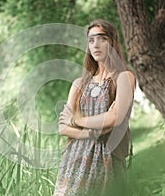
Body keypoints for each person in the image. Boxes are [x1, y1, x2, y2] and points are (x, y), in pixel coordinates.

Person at [53, 19, 136, 196]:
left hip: (109, 159)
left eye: (101, 39)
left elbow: (114, 119)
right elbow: (62, 127)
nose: (95, 45)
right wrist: (92, 132)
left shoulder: (124, 78)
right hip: (75, 159)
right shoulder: (78, 84)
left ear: (113, 42)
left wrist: (77, 120)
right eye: (91, 40)